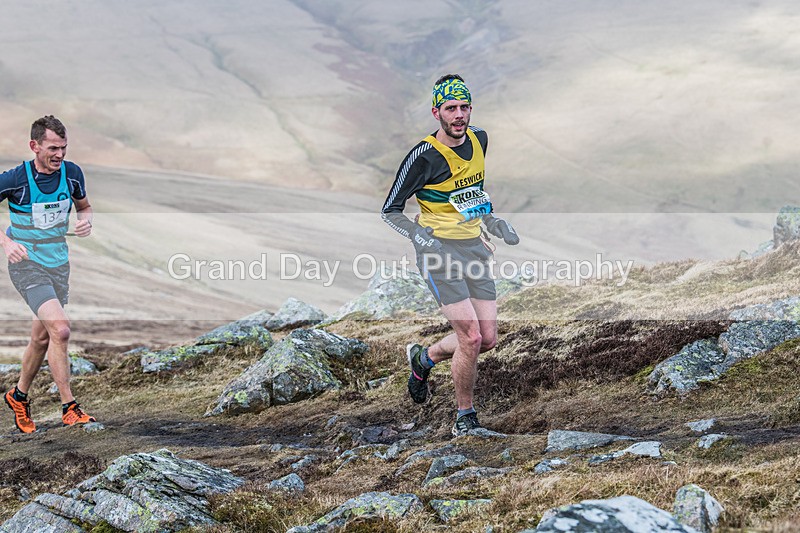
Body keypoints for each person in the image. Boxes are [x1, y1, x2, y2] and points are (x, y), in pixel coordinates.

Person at [381, 75, 518, 436]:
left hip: (473, 247)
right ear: (436, 112)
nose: (459, 115)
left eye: (464, 107)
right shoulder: (423, 157)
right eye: (450, 108)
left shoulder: (479, 139)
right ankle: (465, 418)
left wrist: (491, 222)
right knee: (470, 337)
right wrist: (420, 239)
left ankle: (423, 360)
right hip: (438, 251)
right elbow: (390, 210)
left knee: (487, 340)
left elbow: (471, 193)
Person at [1, 115, 96, 433]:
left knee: (42, 337)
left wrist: (86, 221)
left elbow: (84, 206)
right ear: (34, 145)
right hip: (26, 265)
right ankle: (69, 407)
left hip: (58, 264)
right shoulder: (15, 178)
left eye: (64, 148)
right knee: (62, 329)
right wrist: (5, 242)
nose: (59, 154)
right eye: (53, 148)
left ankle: (18, 396)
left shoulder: (72, 174)